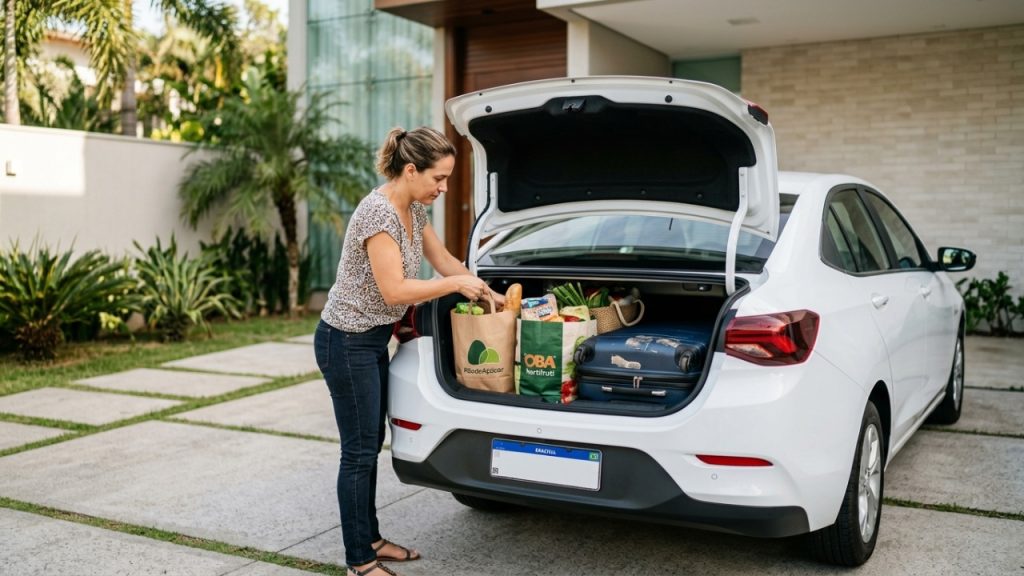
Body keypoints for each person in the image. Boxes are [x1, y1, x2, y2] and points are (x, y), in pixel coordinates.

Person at [314, 126, 503, 576]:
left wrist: (486, 292)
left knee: (370, 445)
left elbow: (444, 262)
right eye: (438, 179)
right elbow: (396, 290)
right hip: (346, 342)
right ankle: (360, 561)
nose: (443, 188)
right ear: (411, 169)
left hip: (373, 339)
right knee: (358, 452)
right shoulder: (376, 214)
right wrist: (456, 285)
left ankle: (372, 538)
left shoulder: (414, 211)